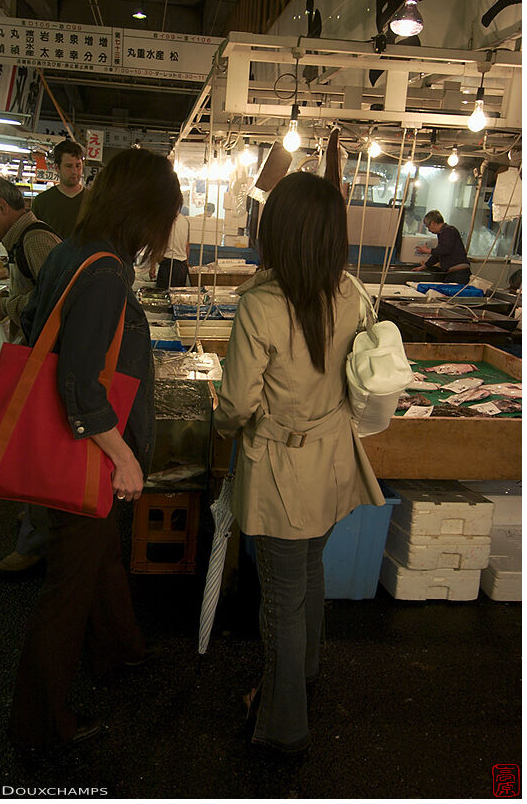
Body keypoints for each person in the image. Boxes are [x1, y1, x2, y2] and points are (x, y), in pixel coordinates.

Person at [9, 148, 182, 750]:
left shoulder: (69, 250)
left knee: (98, 554)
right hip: (85, 450)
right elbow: (80, 388)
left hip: (66, 444)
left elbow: (33, 322)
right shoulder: (106, 272)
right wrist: (126, 456)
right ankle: (37, 725)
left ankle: (120, 650)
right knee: (68, 589)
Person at [214, 171, 384, 755]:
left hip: (283, 470)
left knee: (281, 598)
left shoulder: (261, 306)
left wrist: (223, 424)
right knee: (310, 571)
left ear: (277, 233)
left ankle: (284, 726)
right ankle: (305, 674)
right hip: (335, 461)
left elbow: (235, 404)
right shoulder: (353, 293)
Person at [0, 175, 62, 575]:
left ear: (2, 207)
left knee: (35, 451)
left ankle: (37, 541)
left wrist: (7, 307)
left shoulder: (34, 240)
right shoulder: (20, 241)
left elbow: (54, 298)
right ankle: (34, 521)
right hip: (34, 354)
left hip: (43, 359)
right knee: (28, 448)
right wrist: (8, 299)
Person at [32, 140, 87, 238]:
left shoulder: (95, 200)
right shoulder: (42, 202)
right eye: (69, 166)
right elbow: (34, 236)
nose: (75, 171)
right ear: (57, 167)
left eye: (78, 165)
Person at [413, 210, 471, 283]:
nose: (429, 230)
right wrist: (424, 266)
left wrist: (427, 250)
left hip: (459, 273)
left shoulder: (448, 230)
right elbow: (437, 255)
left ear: (433, 223)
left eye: (428, 227)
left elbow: (445, 249)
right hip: (453, 273)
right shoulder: (442, 233)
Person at [154, 209, 190, 290]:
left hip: (168, 266)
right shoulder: (185, 221)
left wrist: (153, 266)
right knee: (177, 296)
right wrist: (186, 263)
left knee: (164, 296)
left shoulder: (165, 220)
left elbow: (158, 243)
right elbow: (187, 244)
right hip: (181, 266)